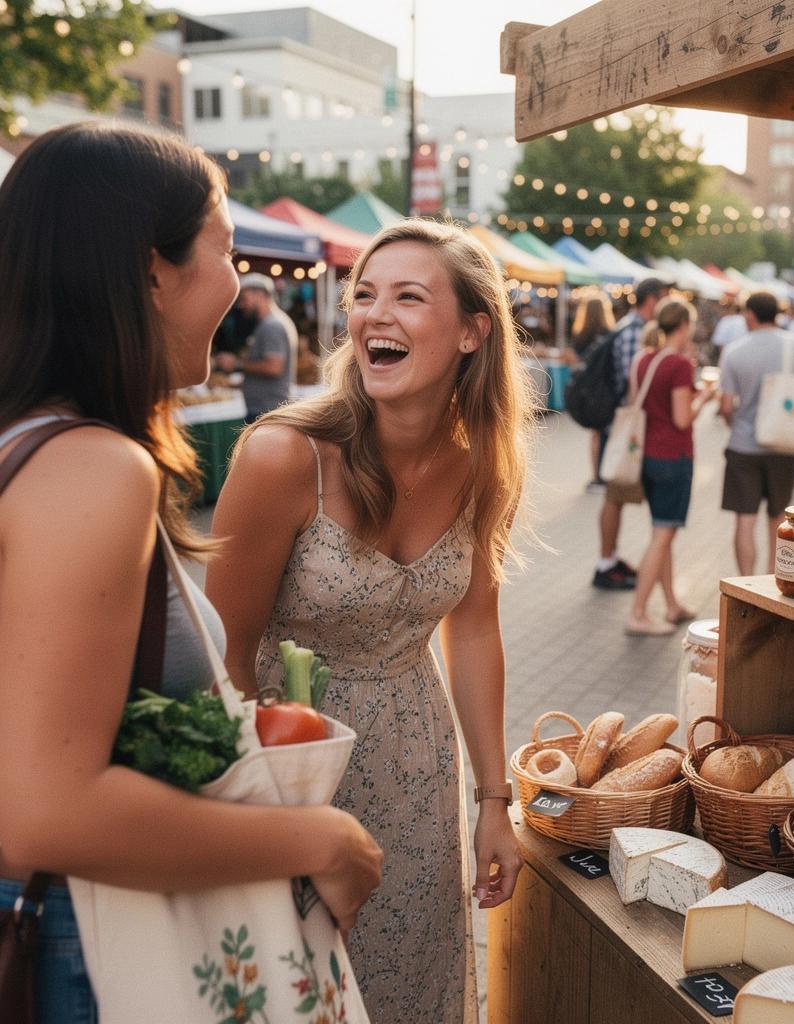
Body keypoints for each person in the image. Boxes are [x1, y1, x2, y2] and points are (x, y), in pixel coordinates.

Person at [0, 122, 382, 1024]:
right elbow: (45, 808)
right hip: (81, 949)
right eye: (225, 250)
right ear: (151, 271)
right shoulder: (94, 469)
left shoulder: (29, 445)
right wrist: (316, 838)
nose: (239, 283)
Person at [205, 219, 534, 1024]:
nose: (373, 316)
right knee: (296, 990)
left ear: (470, 332)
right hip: (291, 766)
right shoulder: (284, 457)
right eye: (365, 297)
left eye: (408, 297)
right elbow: (226, 655)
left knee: (407, 990)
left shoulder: (481, 464)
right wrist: (275, 809)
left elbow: (477, 628)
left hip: (420, 772)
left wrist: (497, 800)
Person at [625, 299, 717, 636]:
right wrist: (705, 398)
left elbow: (637, 403)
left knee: (660, 534)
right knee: (662, 535)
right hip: (673, 458)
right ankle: (637, 612)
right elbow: (682, 418)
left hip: (646, 457)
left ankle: (672, 604)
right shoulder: (678, 364)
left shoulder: (643, 359)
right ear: (684, 326)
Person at [718, 291, 794, 576]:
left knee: (744, 520)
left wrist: (734, 425)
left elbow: (726, 405)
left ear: (750, 314)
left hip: (743, 447)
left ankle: (745, 584)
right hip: (784, 447)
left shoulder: (734, 351)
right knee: (778, 519)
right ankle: (772, 584)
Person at [592, 276, 670, 589]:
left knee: (617, 497)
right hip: (627, 431)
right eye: (663, 297)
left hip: (627, 429)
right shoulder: (635, 332)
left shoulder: (632, 328)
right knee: (615, 496)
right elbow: (632, 389)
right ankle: (605, 562)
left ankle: (610, 558)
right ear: (651, 299)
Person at [215, 272, 298, 422]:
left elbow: (274, 367)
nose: (241, 305)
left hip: (267, 411)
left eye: (244, 299)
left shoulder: (272, 325)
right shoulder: (272, 323)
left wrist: (236, 364)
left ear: (259, 295)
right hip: (268, 410)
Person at [570, 289, 617, 491]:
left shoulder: (580, 335)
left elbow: (577, 364)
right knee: (607, 433)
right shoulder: (610, 335)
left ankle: (595, 474)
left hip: (587, 393)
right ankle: (605, 473)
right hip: (606, 390)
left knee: (596, 435)